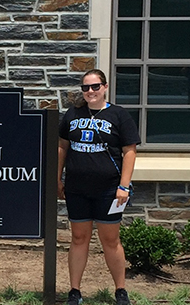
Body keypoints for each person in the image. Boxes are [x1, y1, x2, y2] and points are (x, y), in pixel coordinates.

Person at [58, 69, 141, 305]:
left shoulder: (118, 115)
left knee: (110, 240)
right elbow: (62, 147)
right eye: (85, 88)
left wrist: (123, 186)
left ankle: (120, 291)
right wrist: (57, 178)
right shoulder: (73, 114)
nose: (90, 92)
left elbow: (130, 152)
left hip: (109, 190)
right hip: (77, 188)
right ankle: (75, 291)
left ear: (104, 87)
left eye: (95, 87)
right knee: (78, 237)